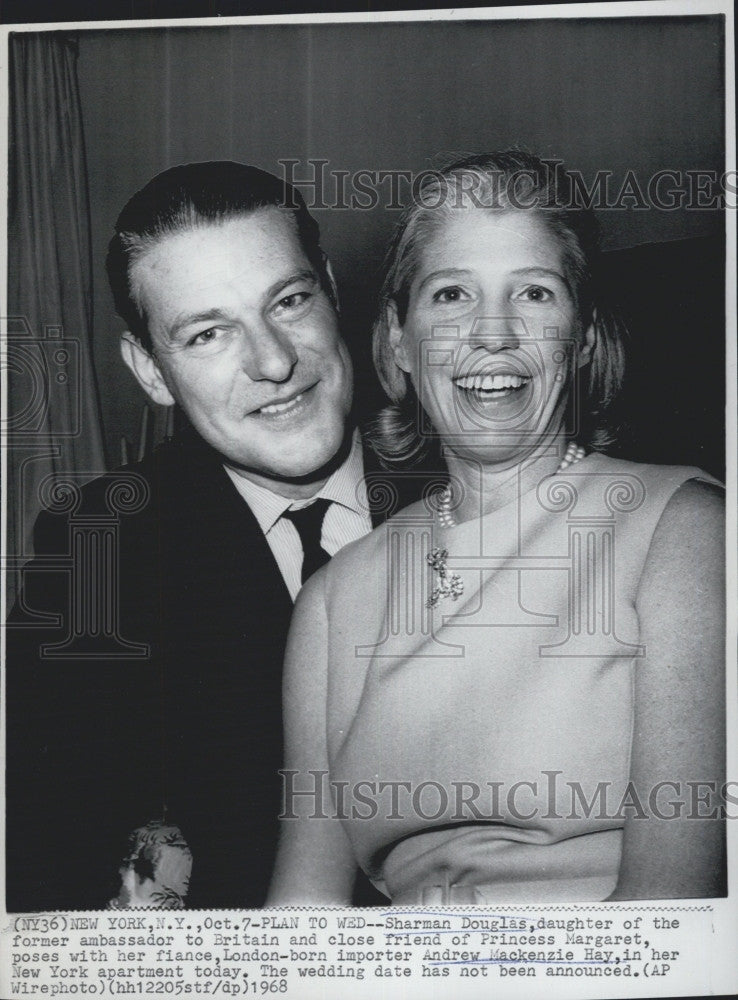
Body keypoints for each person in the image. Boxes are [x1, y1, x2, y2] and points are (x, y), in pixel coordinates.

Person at [268, 150, 726, 905]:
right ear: (399, 342)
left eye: (535, 294)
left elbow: (667, 920)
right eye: (451, 294)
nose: (493, 334)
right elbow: (301, 917)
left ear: (580, 338)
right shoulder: (330, 600)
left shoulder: (683, 533)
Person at [5, 161, 418, 911]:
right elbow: (41, 842)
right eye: (207, 334)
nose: (273, 362)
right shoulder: (98, 547)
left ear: (330, 288)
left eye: (289, 301)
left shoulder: (476, 484)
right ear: (152, 371)